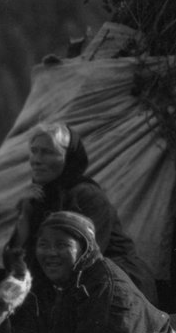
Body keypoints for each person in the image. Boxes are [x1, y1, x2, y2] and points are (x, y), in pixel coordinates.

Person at [8, 122, 157, 302]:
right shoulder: (38, 199)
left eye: (47, 152)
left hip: (115, 286)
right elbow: (17, 260)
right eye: (34, 151)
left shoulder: (87, 196)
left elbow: (85, 258)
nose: (36, 160)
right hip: (73, 284)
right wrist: (25, 214)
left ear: (68, 157)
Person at [34, 211, 174, 333]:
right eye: (43, 245)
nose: (51, 253)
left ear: (84, 249)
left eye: (62, 245)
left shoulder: (106, 286)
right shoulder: (68, 282)